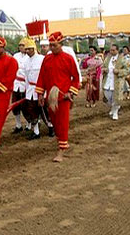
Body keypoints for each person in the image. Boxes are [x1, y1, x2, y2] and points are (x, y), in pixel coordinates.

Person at [35, 32, 80, 162]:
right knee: (54, 122)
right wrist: (40, 94)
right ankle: (63, 142)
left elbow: (75, 78)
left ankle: (61, 150)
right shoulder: (47, 59)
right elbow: (42, 77)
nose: (52, 48)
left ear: (61, 45)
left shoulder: (68, 58)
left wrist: (70, 92)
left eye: (54, 45)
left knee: (62, 123)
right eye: (50, 45)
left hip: (63, 97)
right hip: (51, 97)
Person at [22, 38, 46, 140]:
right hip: (30, 89)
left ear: (33, 49)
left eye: (29, 49)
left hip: (41, 88)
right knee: (32, 110)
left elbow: (45, 74)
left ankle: (51, 126)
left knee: (45, 110)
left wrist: (45, 90)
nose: (27, 51)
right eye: (25, 49)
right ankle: (36, 131)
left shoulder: (42, 59)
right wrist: (26, 90)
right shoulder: (26, 61)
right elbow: (26, 77)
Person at [101, 44, 129, 120]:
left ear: (117, 50)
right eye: (111, 50)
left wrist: (118, 71)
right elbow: (103, 66)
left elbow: (127, 70)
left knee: (116, 98)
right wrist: (104, 70)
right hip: (107, 80)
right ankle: (113, 108)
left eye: (113, 50)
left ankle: (115, 112)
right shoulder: (107, 58)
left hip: (117, 81)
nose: (111, 52)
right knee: (107, 96)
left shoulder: (122, 59)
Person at [11, 39, 28, 133]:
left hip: (26, 84)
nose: (21, 47)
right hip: (16, 84)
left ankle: (29, 124)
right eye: (20, 45)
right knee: (15, 106)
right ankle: (18, 125)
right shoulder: (15, 56)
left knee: (27, 106)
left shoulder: (30, 57)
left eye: (23, 45)